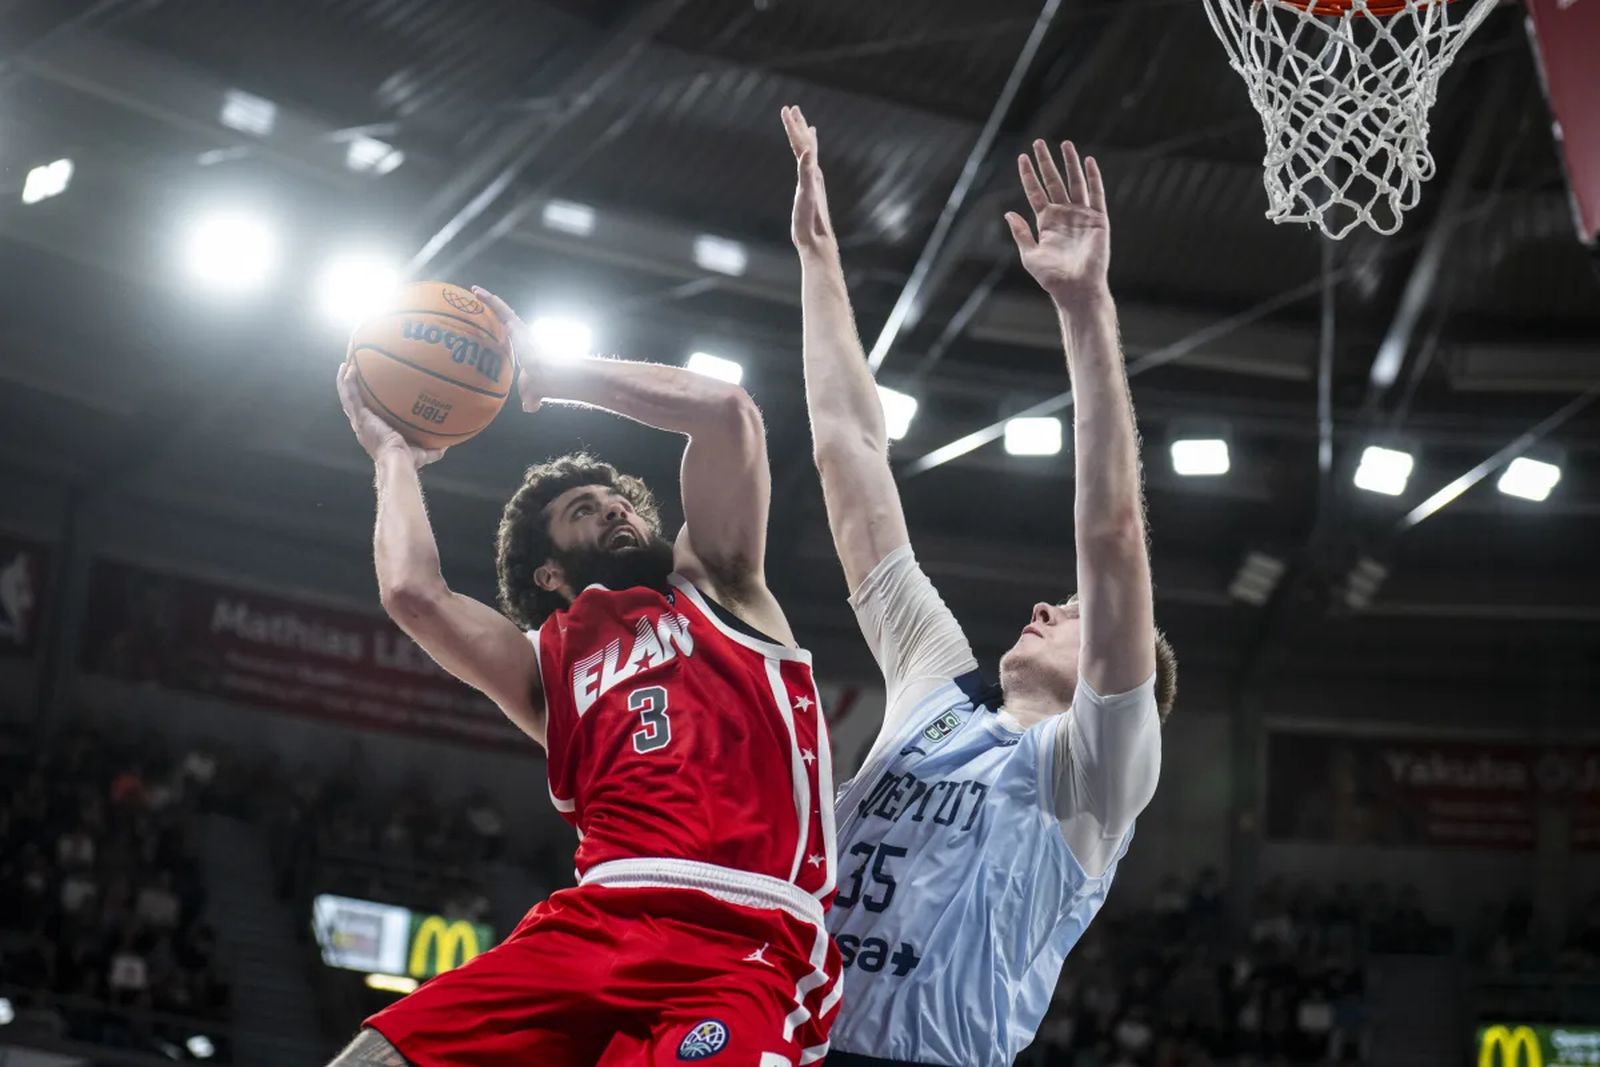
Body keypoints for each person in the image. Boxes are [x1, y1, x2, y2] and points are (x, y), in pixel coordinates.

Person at [330, 287, 840, 1067]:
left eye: (616, 501)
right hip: (595, 918)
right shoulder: (548, 660)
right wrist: (394, 456)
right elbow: (412, 594)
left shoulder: (721, 583)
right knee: (376, 1057)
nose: (612, 511)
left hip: (741, 934)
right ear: (546, 570)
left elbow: (728, 413)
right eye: (583, 510)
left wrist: (551, 372)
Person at [781, 105, 1176, 1067]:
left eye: (1072, 615)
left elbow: (1112, 535)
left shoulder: (1095, 770)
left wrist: (1086, 310)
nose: (1046, 606)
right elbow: (851, 457)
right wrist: (819, 262)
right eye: (1056, 600)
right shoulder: (934, 684)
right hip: (786, 1045)